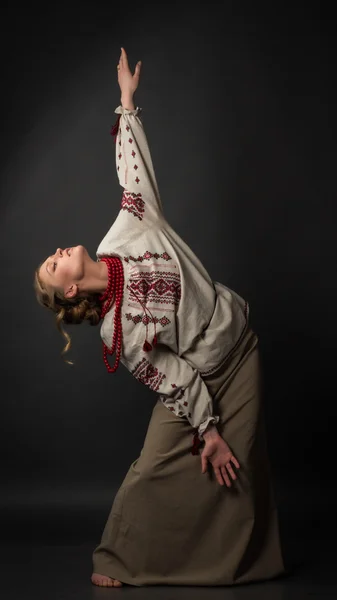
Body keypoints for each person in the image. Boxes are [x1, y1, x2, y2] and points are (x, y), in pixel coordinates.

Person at [34, 48, 286, 588]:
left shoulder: (121, 234)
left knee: (243, 471)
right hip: (207, 375)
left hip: (238, 345)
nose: (58, 252)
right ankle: (119, 560)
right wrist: (207, 430)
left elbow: (134, 177)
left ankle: (248, 561)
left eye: (53, 254)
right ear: (71, 288)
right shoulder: (116, 333)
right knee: (153, 468)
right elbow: (175, 376)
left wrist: (126, 104)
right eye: (54, 265)